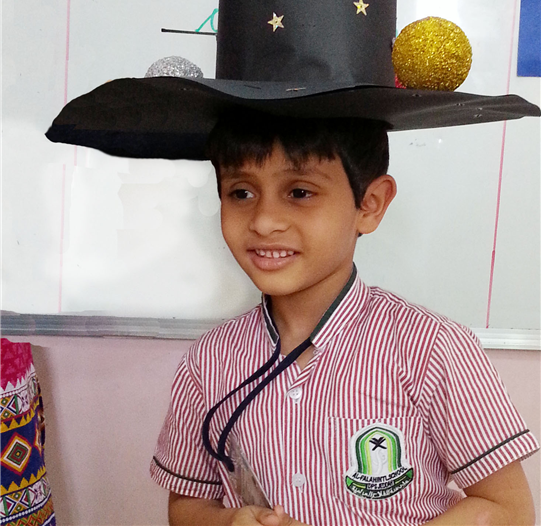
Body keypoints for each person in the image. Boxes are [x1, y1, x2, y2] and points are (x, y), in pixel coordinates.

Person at [150, 110, 538, 526]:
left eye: (300, 192)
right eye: (241, 193)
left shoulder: (432, 348)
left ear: (369, 205)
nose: (263, 221)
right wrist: (231, 522)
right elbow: (187, 505)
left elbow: (508, 511)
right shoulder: (208, 362)